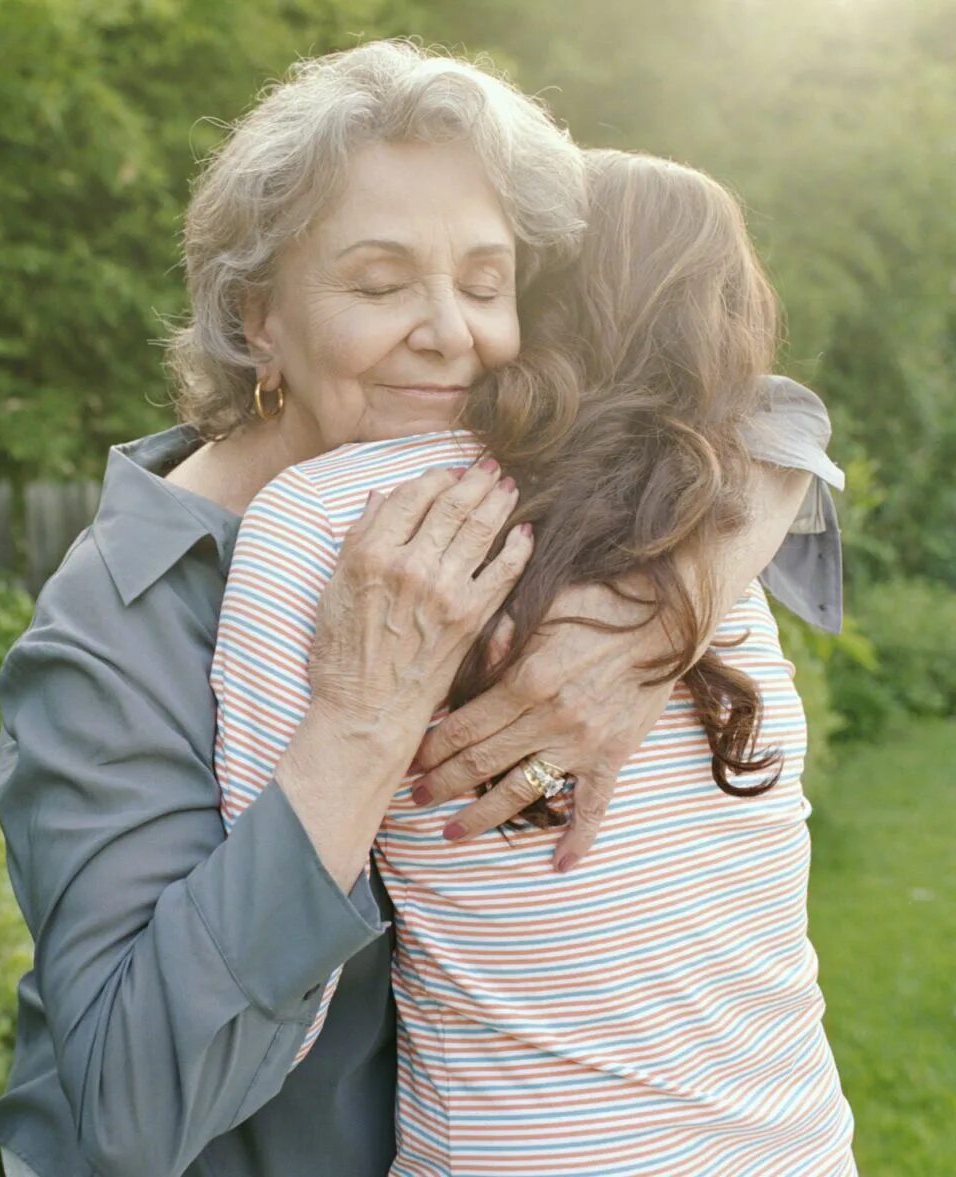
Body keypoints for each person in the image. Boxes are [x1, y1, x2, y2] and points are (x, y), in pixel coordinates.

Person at [0, 42, 844, 1177]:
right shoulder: (117, 624)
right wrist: (360, 724)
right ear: (260, 320)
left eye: (487, 284)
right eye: (380, 285)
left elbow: (765, 415)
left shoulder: (496, 478)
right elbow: (122, 1117)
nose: (451, 333)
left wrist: (655, 620)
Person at [213, 147, 854, 1175]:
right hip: (797, 1140)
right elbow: (780, 416)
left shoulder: (332, 518)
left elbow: (257, 945)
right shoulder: (718, 536)